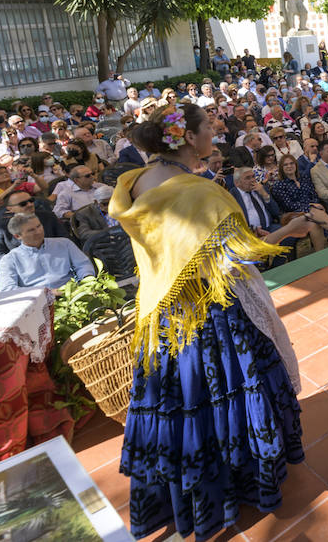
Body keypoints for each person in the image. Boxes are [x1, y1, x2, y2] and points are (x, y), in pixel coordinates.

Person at [110, 104, 309, 541]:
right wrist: (288, 232)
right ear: (187, 138)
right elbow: (243, 253)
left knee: (179, 404)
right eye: (209, 131)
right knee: (226, 395)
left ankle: (186, 496)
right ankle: (241, 483)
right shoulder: (198, 193)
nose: (214, 139)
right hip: (210, 312)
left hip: (164, 313)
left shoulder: (133, 183)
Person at [0, 211, 95, 292]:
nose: (38, 231)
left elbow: (83, 265)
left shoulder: (64, 244)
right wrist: (46, 294)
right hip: (36, 303)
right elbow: (7, 289)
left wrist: (86, 280)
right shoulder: (10, 259)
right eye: (31, 230)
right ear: (18, 236)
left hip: (72, 293)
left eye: (39, 226)